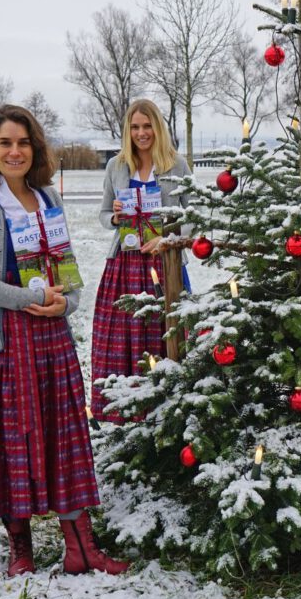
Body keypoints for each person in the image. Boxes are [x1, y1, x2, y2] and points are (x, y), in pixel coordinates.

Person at [0, 104, 127, 577]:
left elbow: (68, 275)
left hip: (51, 337)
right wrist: (24, 296)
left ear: (35, 148)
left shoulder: (48, 198)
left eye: (23, 143)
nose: (14, 151)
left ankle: (80, 547)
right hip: (4, 341)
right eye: (5, 142)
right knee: (15, 442)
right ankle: (20, 546)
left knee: (64, 437)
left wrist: (65, 304)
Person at [91, 99, 192, 421]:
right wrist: (115, 217)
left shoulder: (177, 165)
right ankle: (124, 408)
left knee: (166, 334)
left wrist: (170, 239)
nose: (141, 133)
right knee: (123, 335)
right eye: (135, 127)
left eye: (147, 126)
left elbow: (193, 215)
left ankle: (167, 408)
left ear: (157, 128)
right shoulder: (117, 166)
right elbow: (104, 213)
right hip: (124, 262)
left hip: (165, 265)